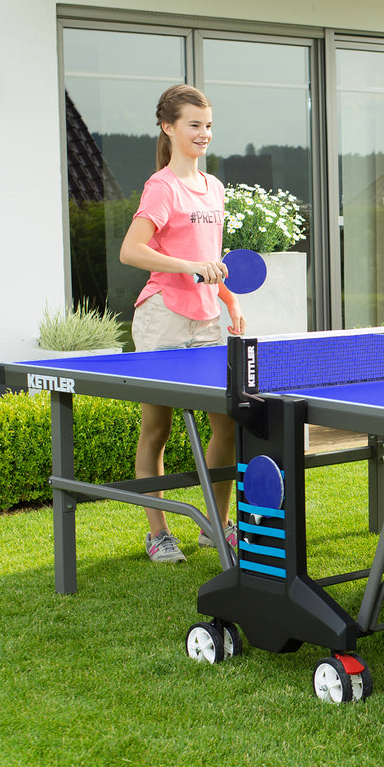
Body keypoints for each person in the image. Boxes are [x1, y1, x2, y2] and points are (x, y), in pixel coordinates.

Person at [118, 83, 246, 564]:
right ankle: (158, 533)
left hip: (209, 317)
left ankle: (215, 526)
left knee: (226, 425)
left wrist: (229, 298)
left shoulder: (213, 187)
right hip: (164, 317)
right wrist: (187, 270)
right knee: (158, 426)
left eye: (208, 125)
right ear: (169, 128)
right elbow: (132, 251)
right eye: (194, 125)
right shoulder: (161, 186)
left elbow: (207, 258)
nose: (204, 134)